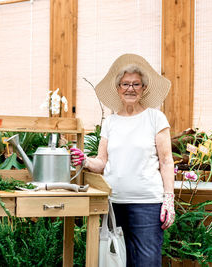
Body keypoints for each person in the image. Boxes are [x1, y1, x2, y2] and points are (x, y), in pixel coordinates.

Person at [71, 54, 175, 266]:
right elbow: (101, 162)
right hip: (114, 204)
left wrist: (169, 199)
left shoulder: (155, 118)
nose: (130, 88)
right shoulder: (110, 122)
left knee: (146, 262)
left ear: (144, 88)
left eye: (136, 84)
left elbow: (166, 161)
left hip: (147, 204)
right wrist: (84, 161)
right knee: (116, 261)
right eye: (125, 84)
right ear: (118, 88)